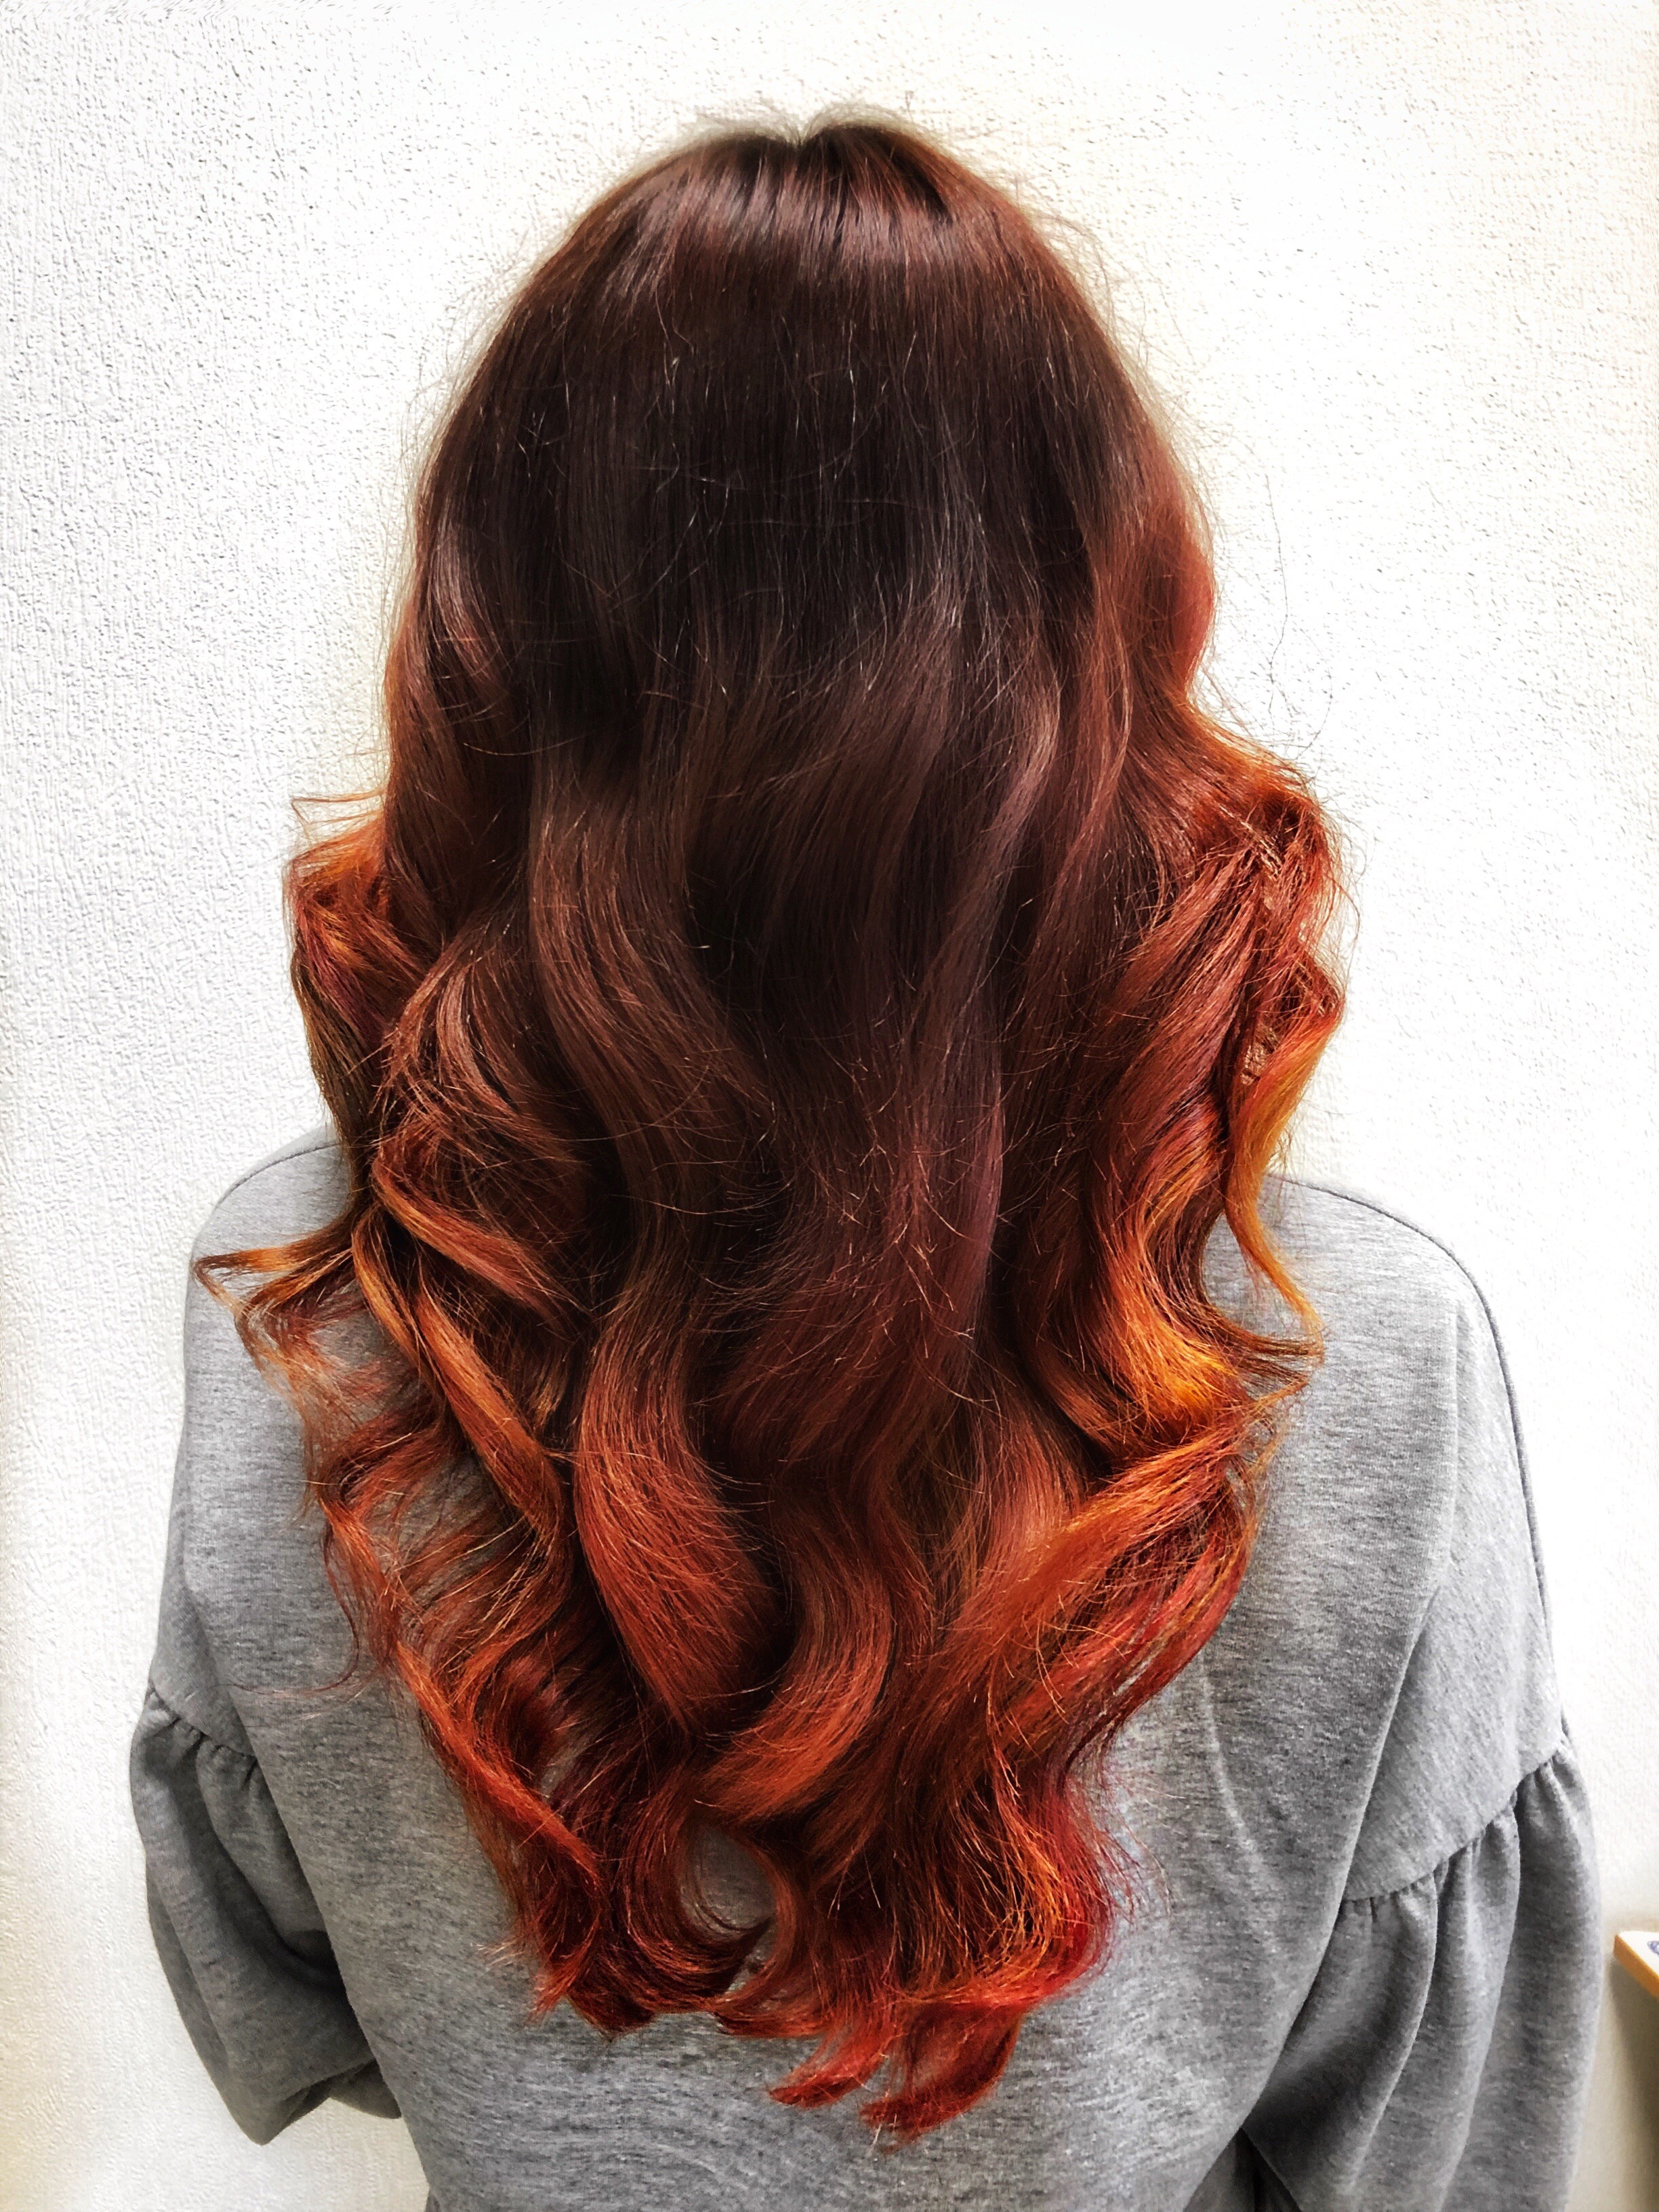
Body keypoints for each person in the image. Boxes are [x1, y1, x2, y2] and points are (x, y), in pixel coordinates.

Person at [129, 116, 1602, 2212]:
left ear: (498, 653)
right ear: (1106, 635)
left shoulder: (301, 1297)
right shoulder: (1349, 1352)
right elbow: (1438, 2146)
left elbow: (287, 1983)